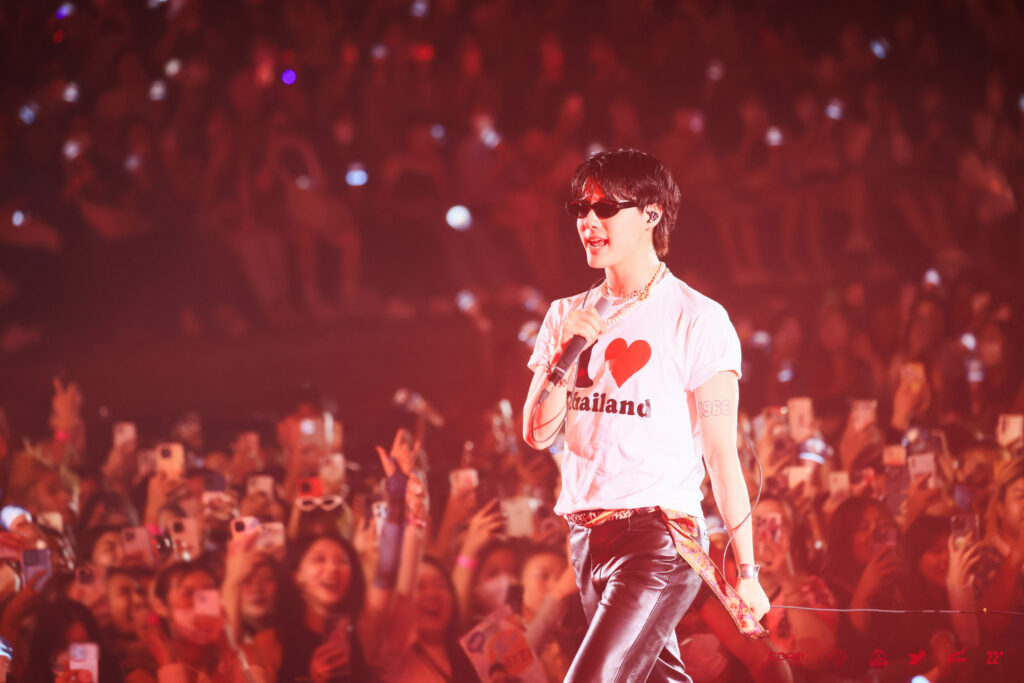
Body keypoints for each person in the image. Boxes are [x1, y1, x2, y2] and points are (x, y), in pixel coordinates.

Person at [522, 148, 770, 683]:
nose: (589, 222)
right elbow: (538, 434)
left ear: (652, 213)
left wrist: (748, 571)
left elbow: (721, 455)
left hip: (659, 538)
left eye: (606, 208)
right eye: (580, 209)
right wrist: (564, 358)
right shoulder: (566, 315)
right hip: (584, 536)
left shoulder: (698, 318)